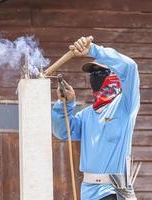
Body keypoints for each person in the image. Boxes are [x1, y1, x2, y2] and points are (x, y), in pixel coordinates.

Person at [51, 36, 140, 200]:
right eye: (93, 74)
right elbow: (63, 132)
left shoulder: (125, 106)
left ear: (115, 76)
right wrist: (65, 103)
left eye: (100, 72)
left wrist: (93, 50)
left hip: (113, 192)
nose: (95, 76)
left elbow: (130, 67)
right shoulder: (86, 115)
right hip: (89, 193)